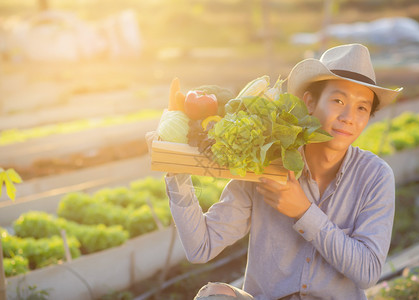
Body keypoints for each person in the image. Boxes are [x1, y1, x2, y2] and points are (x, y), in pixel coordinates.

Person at [146, 43, 402, 299]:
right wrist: (175, 170)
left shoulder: (375, 176)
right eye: (338, 100)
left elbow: (368, 273)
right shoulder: (266, 162)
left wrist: (303, 211)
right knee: (213, 295)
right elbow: (201, 247)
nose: (349, 116)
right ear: (309, 102)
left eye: (362, 108)